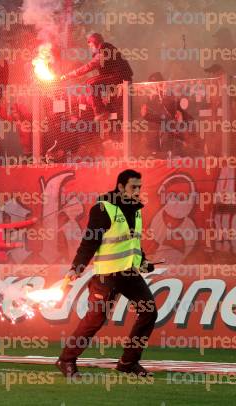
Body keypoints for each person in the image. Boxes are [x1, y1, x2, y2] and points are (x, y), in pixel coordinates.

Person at [57, 169, 158, 378]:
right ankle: (66, 359)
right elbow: (89, 241)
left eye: (139, 187)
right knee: (95, 319)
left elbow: (133, 244)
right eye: (133, 187)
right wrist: (77, 267)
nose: (138, 191)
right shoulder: (104, 209)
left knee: (149, 311)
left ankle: (128, 362)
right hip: (106, 276)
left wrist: (144, 262)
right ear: (121, 187)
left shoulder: (137, 210)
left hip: (128, 273)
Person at [60, 33, 133, 121]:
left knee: (92, 83)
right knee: (89, 82)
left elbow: (90, 66)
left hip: (120, 77)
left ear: (94, 42)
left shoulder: (105, 49)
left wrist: (68, 75)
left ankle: (100, 112)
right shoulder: (106, 49)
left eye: (90, 45)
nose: (90, 48)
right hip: (117, 76)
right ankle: (104, 111)